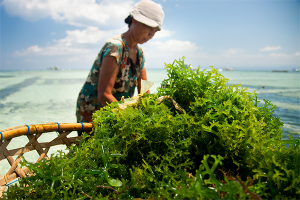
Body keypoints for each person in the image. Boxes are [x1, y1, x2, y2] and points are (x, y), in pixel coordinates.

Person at [76, 0, 164, 135]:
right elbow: (104, 95)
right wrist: (130, 118)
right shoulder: (116, 47)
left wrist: (152, 111)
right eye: (149, 28)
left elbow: (144, 89)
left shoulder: (139, 53)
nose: (151, 34)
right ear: (134, 20)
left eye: (155, 31)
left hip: (118, 111)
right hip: (94, 110)